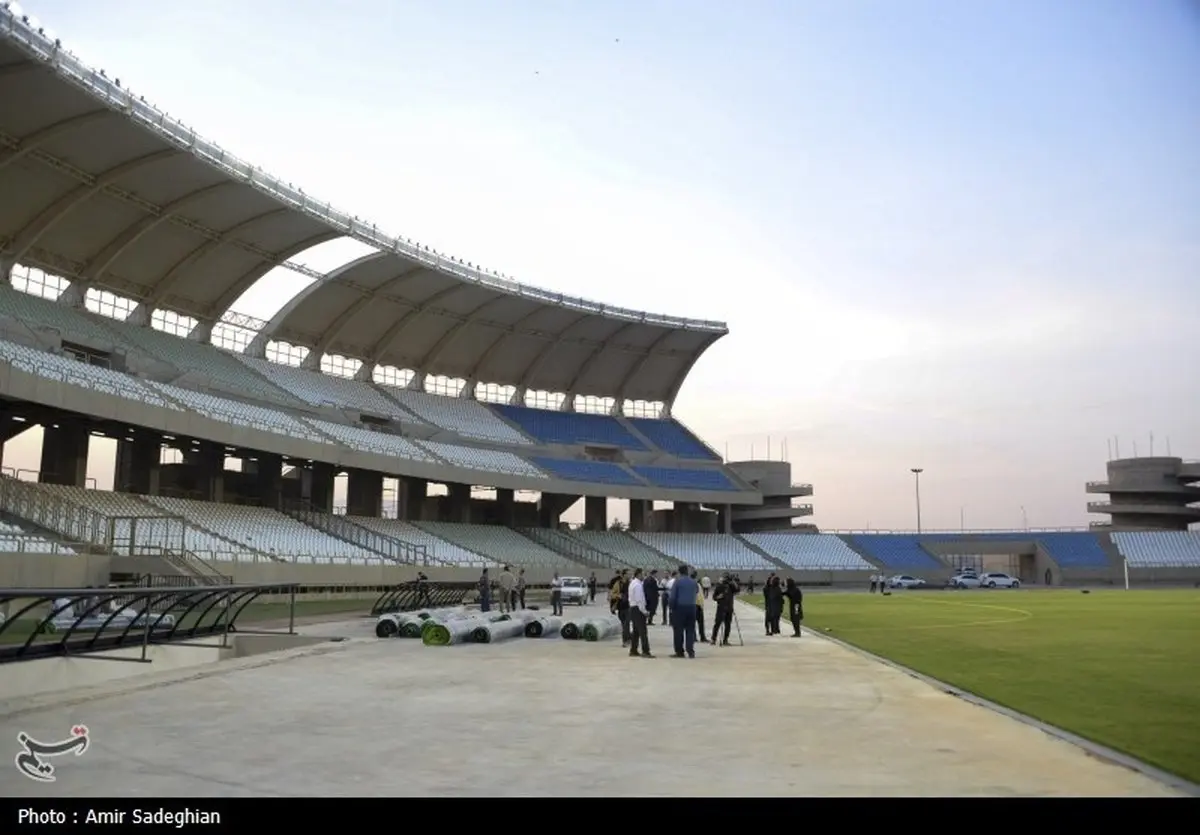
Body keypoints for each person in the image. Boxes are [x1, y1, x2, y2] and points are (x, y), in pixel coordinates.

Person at [668, 566, 699, 658]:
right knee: (690, 629)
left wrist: (671, 607)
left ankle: (679, 651)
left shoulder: (677, 582)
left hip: (680, 608)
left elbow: (673, 597)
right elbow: (696, 591)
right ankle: (690, 650)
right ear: (687, 572)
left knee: (678, 630)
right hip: (692, 607)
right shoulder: (693, 582)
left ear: (679, 572)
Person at [627, 568, 653, 658]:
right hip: (638, 609)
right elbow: (639, 600)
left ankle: (633, 649)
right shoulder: (637, 585)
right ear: (638, 574)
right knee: (643, 631)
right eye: (643, 574)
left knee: (636, 631)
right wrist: (644, 611)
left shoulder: (633, 583)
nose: (644, 576)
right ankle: (645, 651)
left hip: (633, 608)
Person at [710, 572, 739, 646]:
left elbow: (737, 590)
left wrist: (733, 582)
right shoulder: (719, 586)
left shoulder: (731, 586)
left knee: (728, 625)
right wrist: (718, 597)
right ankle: (713, 639)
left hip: (729, 607)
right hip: (721, 607)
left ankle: (725, 639)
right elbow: (714, 597)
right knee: (717, 624)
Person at [617, 570, 632, 647]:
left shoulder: (630, 583)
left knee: (626, 624)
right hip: (621, 606)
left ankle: (626, 640)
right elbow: (614, 593)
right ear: (624, 575)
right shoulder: (619, 583)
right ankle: (627, 640)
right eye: (628, 574)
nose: (629, 575)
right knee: (624, 624)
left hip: (627, 606)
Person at [694, 571, 708, 643]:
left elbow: (701, 596)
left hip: (698, 605)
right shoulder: (695, 585)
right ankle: (699, 637)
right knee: (698, 623)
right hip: (696, 605)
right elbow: (699, 596)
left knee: (700, 623)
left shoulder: (698, 585)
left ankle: (700, 637)